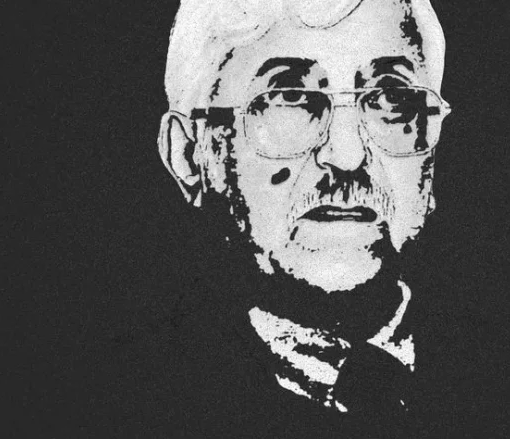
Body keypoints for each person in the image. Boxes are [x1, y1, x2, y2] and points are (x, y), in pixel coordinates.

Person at [156, 0, 450, 433]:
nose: (348, 156)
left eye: (392, 97)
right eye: (289, 98)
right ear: (189, 153)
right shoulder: (123, 401)